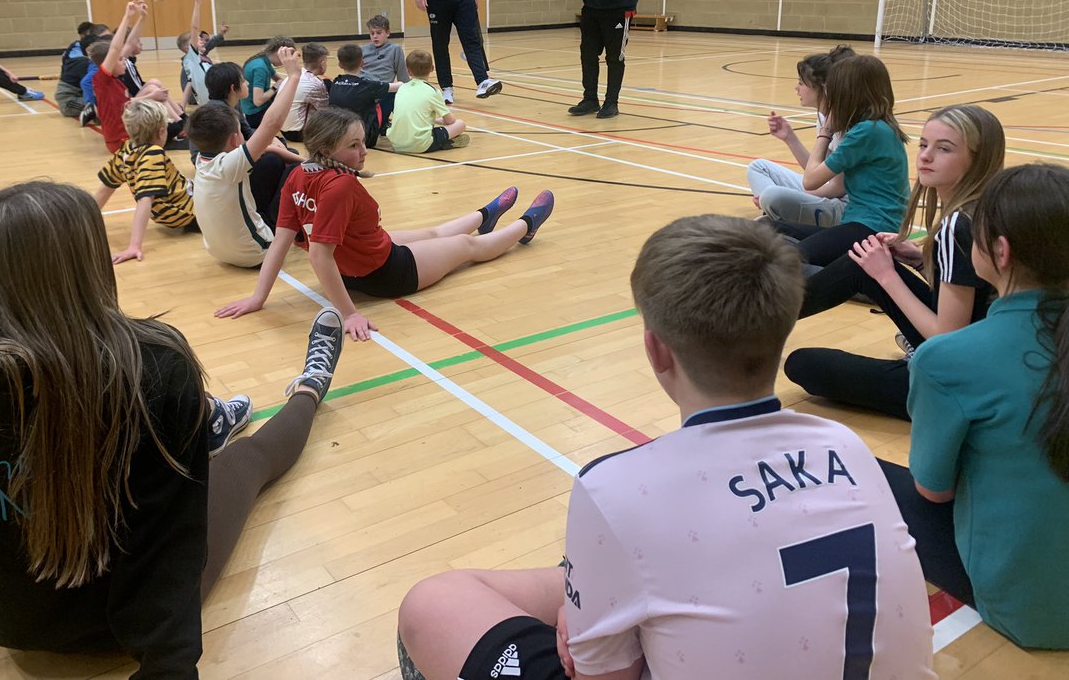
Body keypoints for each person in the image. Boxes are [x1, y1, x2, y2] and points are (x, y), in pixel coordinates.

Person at [396, 215, 935, 680]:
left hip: (632, 545)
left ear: (655, 348)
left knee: (433, 605)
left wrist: (584, 623)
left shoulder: (615, 487)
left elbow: (604, 674)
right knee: (606, 577)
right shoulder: (843, 443)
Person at [0, 181, 345, 678]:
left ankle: (200, 428)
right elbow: (172, 550)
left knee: (172, 448)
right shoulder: (154, 367)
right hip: (121, 630)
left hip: (16, 627)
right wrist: (167, 669)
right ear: (88, 266)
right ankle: (307, 388)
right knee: (249, 463)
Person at [880, 163, 1069, 649]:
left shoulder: (948, 358)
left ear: (999, 252)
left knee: (868, 473)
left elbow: (934, 491)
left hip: (1033, 607)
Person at [215, 107, 554, 340]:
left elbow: (281, 241)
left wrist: (259, 297)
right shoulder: (340, 185)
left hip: (362, 256)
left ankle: (485, 214)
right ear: (326, 148)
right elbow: (319, 256)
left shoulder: (299, 175)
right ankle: (528, 223)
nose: (364, 151)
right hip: (385, 272)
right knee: (467, 248)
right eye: (354, 145)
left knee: (431, 233)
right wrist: (349, 315)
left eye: (363, 141)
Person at [786, 105, 1005, 418]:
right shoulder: (983, 207)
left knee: (804, 364)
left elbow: (948, 337)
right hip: (980, 353)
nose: (925, 156)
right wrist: (919, 259)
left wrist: (887, 275)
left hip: (965, 382)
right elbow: (974, 297)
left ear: (978, 159)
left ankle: (748, 326)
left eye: (943, 149)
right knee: (858, 263)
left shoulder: (958, 226)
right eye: (924, 145)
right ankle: (758, 322)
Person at [769, 54, 909, 266]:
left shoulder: (866, 131)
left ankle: (862, 277)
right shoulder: (874, 126)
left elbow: (811, 180)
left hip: (871, 229)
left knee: (790, 260)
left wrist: (825, 132)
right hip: (860, 223)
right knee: (766, 228)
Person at [188, 51, 306, 267]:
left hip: (217, 251)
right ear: (235, 139)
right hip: (256, 253)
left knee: (272, 162)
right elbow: (272, 124)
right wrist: (294, 76)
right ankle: (293, 230)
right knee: (296, 171)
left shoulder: (203, 161)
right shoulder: (229, 165)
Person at [748, 45, 856, 226]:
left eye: (801, 83)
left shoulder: (846, 124)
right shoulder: (823, 117)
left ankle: (782, 216)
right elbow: (820, 172)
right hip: (826, 192)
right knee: (758, 167)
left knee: (772, 196)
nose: (796, 88)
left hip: (844, 207)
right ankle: (782, 215)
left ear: (821, 88)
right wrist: (789, 137)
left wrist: (796, 197)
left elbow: (837, 188)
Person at [93, 99, 199, 264]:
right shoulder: (153, 153)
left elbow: (104, 189)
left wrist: (84, 220)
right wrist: (134, 246)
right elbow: (145, 200)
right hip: (192, 212)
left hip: (180, 209)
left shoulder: (127, 150)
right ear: (161, 132)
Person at [89, 1, 186, 153]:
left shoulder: (116, 82)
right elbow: (115, 49)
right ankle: (180, 127)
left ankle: (181, 125)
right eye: (120, 60)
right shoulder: (102, 80)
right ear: (110, 62)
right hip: (121, 142)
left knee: (157, 99)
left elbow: (130, 43)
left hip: (130, 134)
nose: (124, 62)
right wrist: (127, 16)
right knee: (165, 128)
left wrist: (142, 17)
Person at [386, 50, 467, 153]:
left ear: (408, 71)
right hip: (419, 145)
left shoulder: (401, 88)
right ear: (432, 68)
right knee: (461, 124)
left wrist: (435, 121)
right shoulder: (433, 91)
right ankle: (443, 142)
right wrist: (439, 121)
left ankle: (441, 141)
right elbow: (450, 121)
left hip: (396, 144)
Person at [329, 43, 402, 150]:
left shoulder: (335, 82)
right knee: (389, 94)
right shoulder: (368, 85)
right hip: (364, 139)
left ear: (340, 65)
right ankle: (387, 127)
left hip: (337, 136)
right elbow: (398, 86)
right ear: (363, 63)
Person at [361, 14, 407, 128]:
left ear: (387, 33)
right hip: (364, 90)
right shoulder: (363, 50)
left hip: (383, 91)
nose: (375, 36)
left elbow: (403, 77)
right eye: (372, 33)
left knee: (399, 92)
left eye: (379, 33)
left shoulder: (395, 49)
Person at [57, 22, 109, 119]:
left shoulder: (85, 59)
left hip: (77, 95)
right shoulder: (83, 63)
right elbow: (87, 84)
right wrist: (93, 105)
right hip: (69, 101)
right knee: (104, 103)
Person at [241, 35, 294, 129]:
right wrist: (275, 87)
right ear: (279, 52)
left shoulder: (264, 60)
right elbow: (258, 101)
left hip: (251, 110)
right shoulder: (260, 67)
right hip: (255, 114)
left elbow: (280, 80)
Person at [282, 42, 330, 143]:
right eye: (326, 61)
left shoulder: (290, 77)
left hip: (283, 129)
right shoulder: (315, 84)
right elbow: (325, 112)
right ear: (322, 63)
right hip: (299, 133)